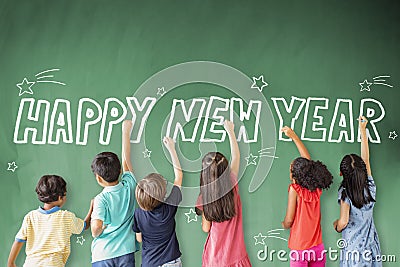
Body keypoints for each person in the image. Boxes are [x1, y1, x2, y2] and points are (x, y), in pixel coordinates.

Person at [196, 120, 251, 267]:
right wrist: (230, 131)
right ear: (225, 170)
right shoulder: (232, 185)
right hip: (237, 256)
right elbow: (236, 157)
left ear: (205, 175)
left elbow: (206, 228)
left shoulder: (204, 199)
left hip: (215, 259)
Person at [7, 175, 93, 267]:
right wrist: (92, 208)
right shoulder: (65, 217)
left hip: (30, 264)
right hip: (53, 264)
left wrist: (11, 263)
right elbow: (85, 225)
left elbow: (18, 241)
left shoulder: (30, 217)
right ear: (60, 197)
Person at [333, 116, 382, 267]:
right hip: (371, 245)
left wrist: (336, 225)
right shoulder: (370, 186)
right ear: (363, 171)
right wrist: (362, 129)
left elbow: (343, 221)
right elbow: (366, 159)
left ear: (341, 173)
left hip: (353, 249)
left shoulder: (345, 193)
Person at [281, 126, 333, 267]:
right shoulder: (316, 188)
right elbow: (308, 163)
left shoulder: (294, 190)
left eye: (291, 169)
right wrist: (294, 136)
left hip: (300, 249)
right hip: (318, 248)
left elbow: (289, 219)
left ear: (295, 174)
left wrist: (284, 224)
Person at [90, 120, 138, 266]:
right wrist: (125, 132)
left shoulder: (101, 199)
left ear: (98, 178)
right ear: (119, 172)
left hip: (103, 253)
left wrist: (97, 231)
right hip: (126, 251)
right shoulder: (129, 184)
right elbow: (126, 160)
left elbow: (96, 228)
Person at [133, 136, 183, 267]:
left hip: (150, 263)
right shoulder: (169, 208)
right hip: (171, 262)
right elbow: (179, 176)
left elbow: (139, 238)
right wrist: (172, 149)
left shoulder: (138, 214)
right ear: (162, 194)